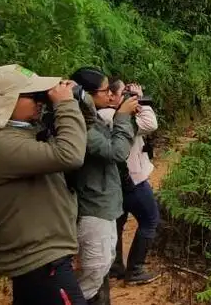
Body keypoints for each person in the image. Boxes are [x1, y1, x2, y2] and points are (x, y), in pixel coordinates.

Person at [0, 64, 87, 305]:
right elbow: (71, 154)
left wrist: (79, 103)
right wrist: (65, 105)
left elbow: (81, 137)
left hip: (43, 257)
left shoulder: (21, 134)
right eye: (34, 96)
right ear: (6, 101)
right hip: (40, 260)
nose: (41, 101)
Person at [70, 67, 138, 305]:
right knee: (92, 272)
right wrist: (122, 117)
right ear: (86, 95)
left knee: (102, 265)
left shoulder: (93, 118)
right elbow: (116, 151)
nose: (110, 94)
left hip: (104, 205)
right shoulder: (78, 124)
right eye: (105, 90)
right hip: (92, 207)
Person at [101, 80, 161, 285]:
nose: (128, 97)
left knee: (118, 223)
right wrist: (140, 100)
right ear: (111, 96)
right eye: (124, 92)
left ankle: (115, 266)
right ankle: (135, 270)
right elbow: (150, 124)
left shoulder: (101, 115)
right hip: (132, 180)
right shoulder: (112, 116)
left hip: (116, 181)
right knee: (150, 220)